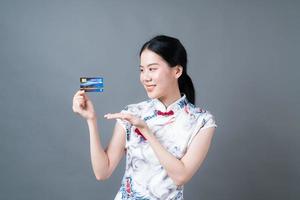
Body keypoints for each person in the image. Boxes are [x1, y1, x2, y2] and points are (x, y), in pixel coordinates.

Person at [72, 35, 217, 200]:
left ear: (177, 71)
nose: (145, 77)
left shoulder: (202, 121)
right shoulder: (131, 113)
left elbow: (180, 176)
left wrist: (145, 131)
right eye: (142, 70)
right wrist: (91, 119)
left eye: (152, 69)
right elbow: (102, 172)